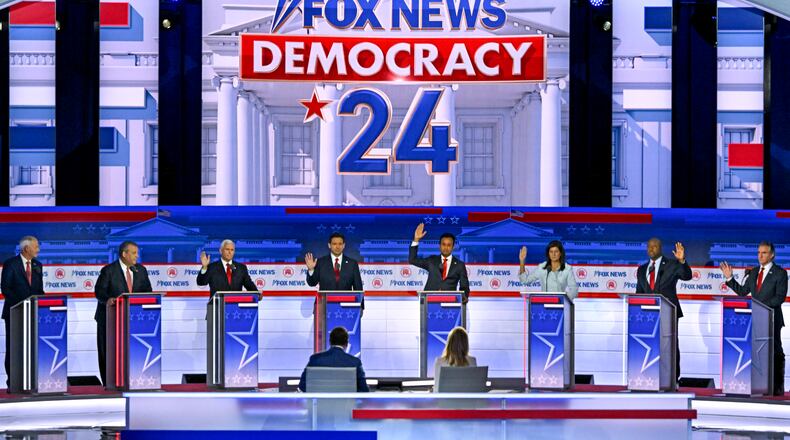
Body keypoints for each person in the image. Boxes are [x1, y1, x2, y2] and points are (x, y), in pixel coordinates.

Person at [720, 241, 787, 396]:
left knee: (775, 351)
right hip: (754, 319)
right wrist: (730, 278)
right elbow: (743, 292)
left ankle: (777, 388)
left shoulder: (780, 273)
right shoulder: (754, 272)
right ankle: (759, 385)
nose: (760, 256)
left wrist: (761, 307)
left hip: (772, 318)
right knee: (757, 352)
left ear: (772, 255)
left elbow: (779, 298)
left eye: (764, 253)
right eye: (758, 252)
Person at [94, 240, 153, 386]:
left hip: (134, 319)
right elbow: (99, 291)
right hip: (109, 319)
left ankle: (133, 380)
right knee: (107, 353)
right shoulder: (108, 270)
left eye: (137, 253)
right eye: (134, 253)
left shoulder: (141, 270)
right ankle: (109, 383)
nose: (136, 256)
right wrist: (108, 299)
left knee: (132, 352)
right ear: (124, 254)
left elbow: (148, 292)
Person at [635, 238, 691, 380]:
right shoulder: (642, 270)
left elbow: (687, 276)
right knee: (649, 345)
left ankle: (673, 379)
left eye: (654, 246)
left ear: (660, 248)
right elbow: (639, 294)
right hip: (647, 316)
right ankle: (649, 376)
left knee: (670, 345)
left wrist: (682, 261)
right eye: (649, 246)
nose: (651, 249)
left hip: (668, 313)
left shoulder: (672, 265)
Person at [2, 236, 45, 388]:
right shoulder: (11, 264)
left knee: (32, 346)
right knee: (14, 347)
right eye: (36, 247)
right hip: (15, 313)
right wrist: (22, 304)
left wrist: (42, 302)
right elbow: (6, 288)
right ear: (27, 248)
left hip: (33, 313)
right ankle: (13, 382)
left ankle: (32, 380)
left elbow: (39, 290)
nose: (38, 249)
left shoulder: (38, 265)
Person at [409, 223, 470, 303]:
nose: (446, 248)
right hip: (429, 301)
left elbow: (464, 286)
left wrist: (464, 297)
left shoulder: (459, 265)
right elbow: (412, 260)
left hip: (450, 303)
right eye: (443, 244)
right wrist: (416, 239)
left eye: (449, 245)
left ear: (453, 247)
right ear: (439, 246)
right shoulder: (431, 260)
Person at [298, 326, 369, 392]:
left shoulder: (315, 359)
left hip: (321, 405)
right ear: (347, 344)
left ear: (330, 342)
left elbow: (302, 386)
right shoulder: (355, 362)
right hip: (347, 405)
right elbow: (364, 390)